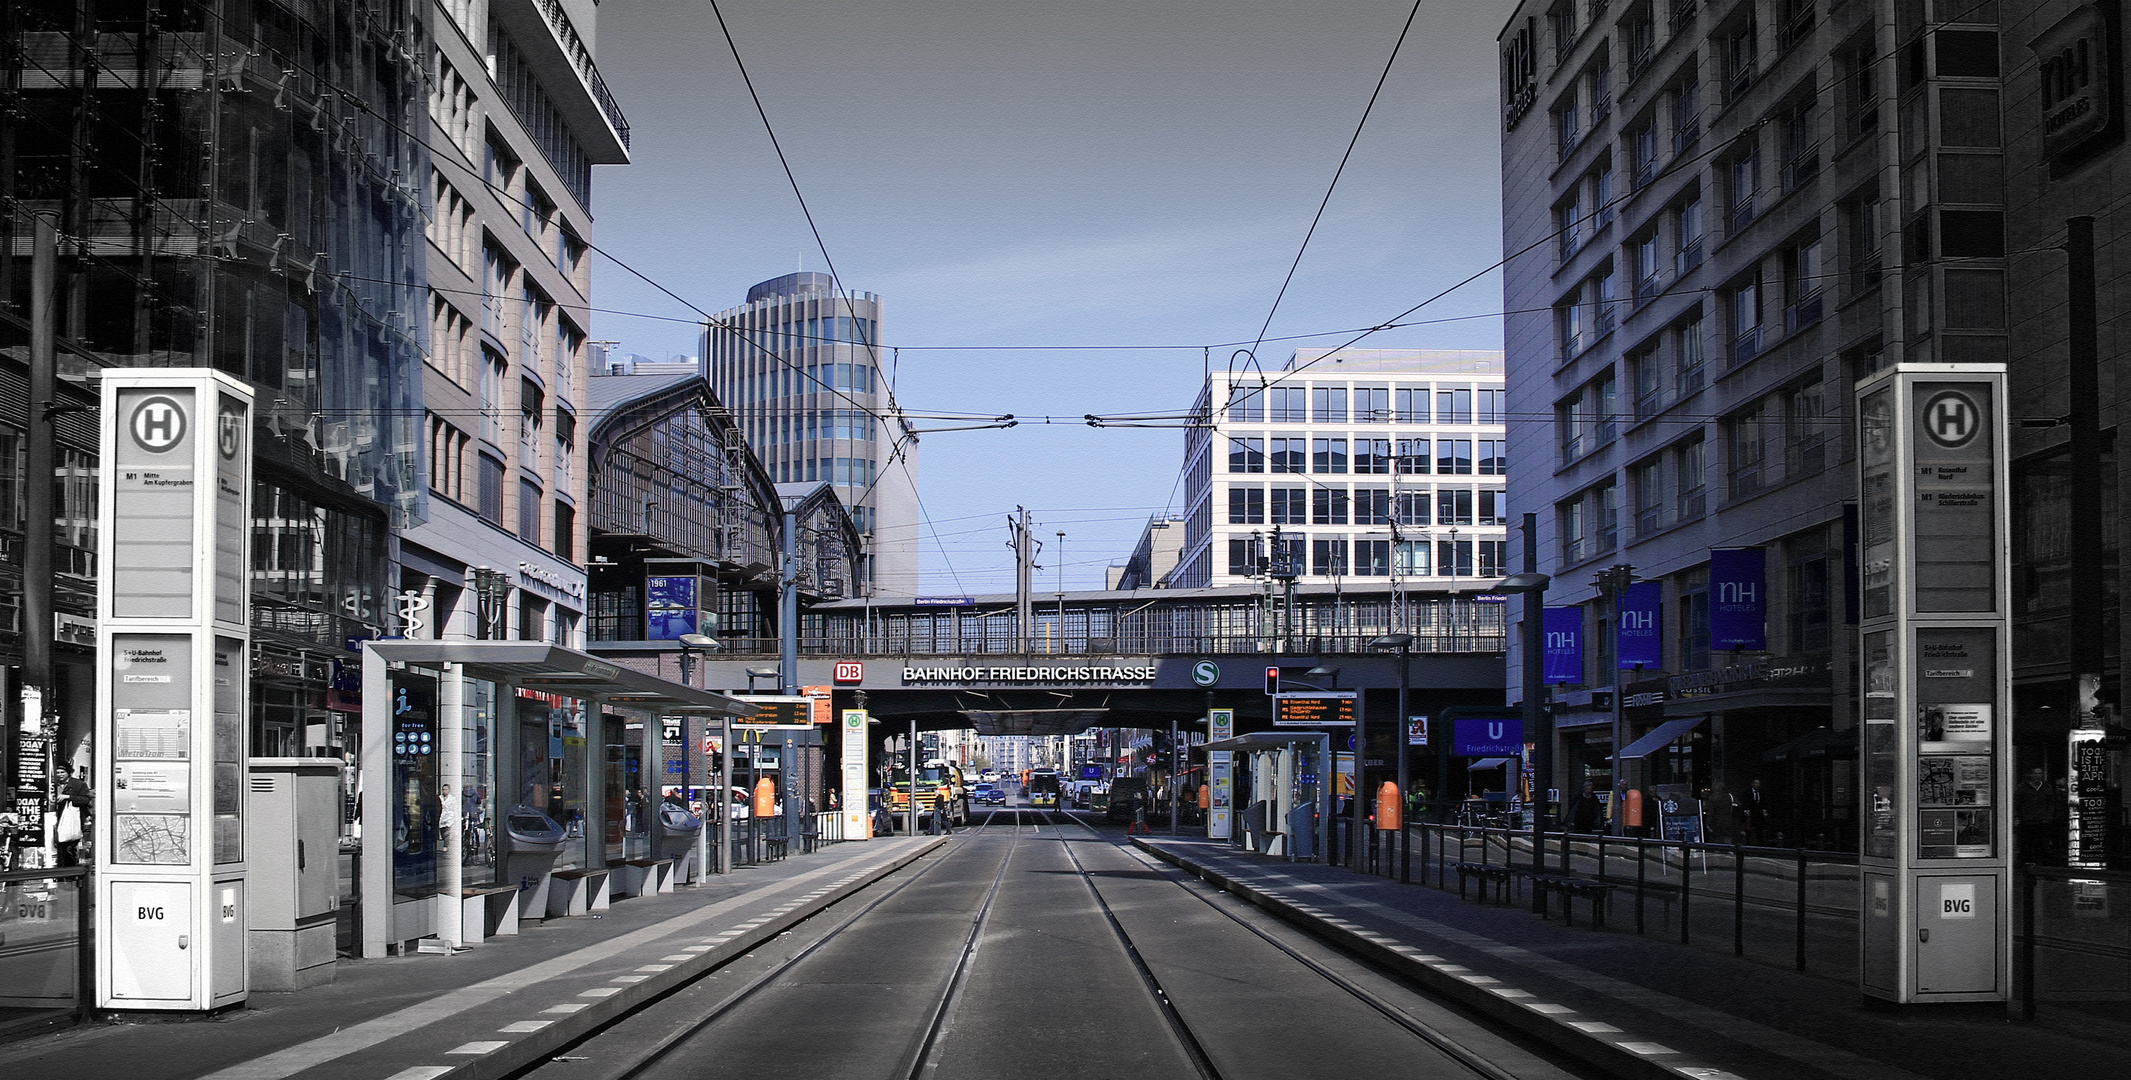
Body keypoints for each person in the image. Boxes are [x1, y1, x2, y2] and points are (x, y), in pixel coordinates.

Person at [2014, 766, 2057, 865]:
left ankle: (2046, 870)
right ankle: (2028, 870)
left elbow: (2051, 803)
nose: (2038, 776)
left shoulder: (2047, 788)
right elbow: (2016, 804)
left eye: (2040, 773)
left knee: (2044, 847)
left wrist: (2048, 817)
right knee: (2028, 847)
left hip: (2042, 822)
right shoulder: (2022, 788)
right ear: (2031, 775)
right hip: (2027, 822)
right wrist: (2019, 818)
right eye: (2035, 774)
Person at [54, 764, 90, 866]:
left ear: (68, 773)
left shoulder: (78, 784)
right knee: (57, 846)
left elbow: (86, 799)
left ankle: (70, 872)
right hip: (55, 819)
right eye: (57, 772)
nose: (59, 775)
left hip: (71, 820)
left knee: (69, 847)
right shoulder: (52, 784)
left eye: (62, 772)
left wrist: (68, 797)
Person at [1740, 778, 1776, 845]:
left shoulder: (1762, 792)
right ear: (1752, 784)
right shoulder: (1747, 792)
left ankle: (1760, 845)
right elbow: (1744, 802)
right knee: (1749, 830)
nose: (1757, 785)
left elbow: (1765, 802)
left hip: (1759, 814)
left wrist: (1765, 810)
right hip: (1750, 813)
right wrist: (1745, 810)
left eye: (1758, 783)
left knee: (1759, 831)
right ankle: (1748, 845)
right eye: (1756, 783)